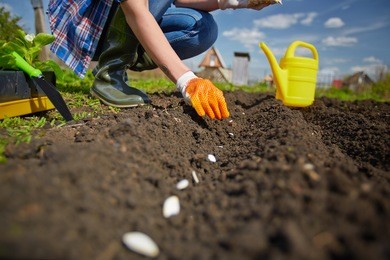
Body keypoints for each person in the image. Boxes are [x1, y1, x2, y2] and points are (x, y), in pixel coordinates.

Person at [48, 0, 280, 120]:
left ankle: (127, 59)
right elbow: (136, 8)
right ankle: (110, 73)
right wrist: (186, 79)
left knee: (203, 28)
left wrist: (236, 2)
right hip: (89, 28)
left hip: (123, 18)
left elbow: (181, 1)